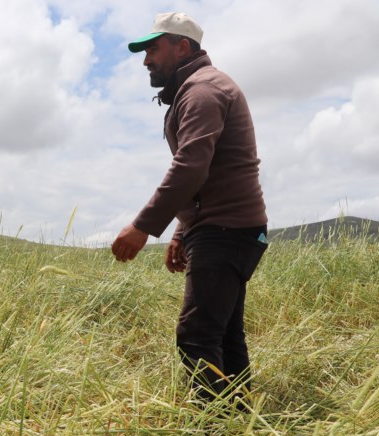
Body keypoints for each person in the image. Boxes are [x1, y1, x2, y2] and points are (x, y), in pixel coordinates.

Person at [111, 13, 268, 406]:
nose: (146, 59)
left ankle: (213, 435)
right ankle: (237, 427)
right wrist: (183, 231)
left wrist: (143, 226)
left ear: (183, 47)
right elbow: (205, 170)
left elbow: (191, 166)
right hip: (227, 229)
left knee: (196, 335)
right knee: (224, 335)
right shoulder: (198, 88)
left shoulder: (202, 90)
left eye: (153, 48)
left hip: (225, 231)